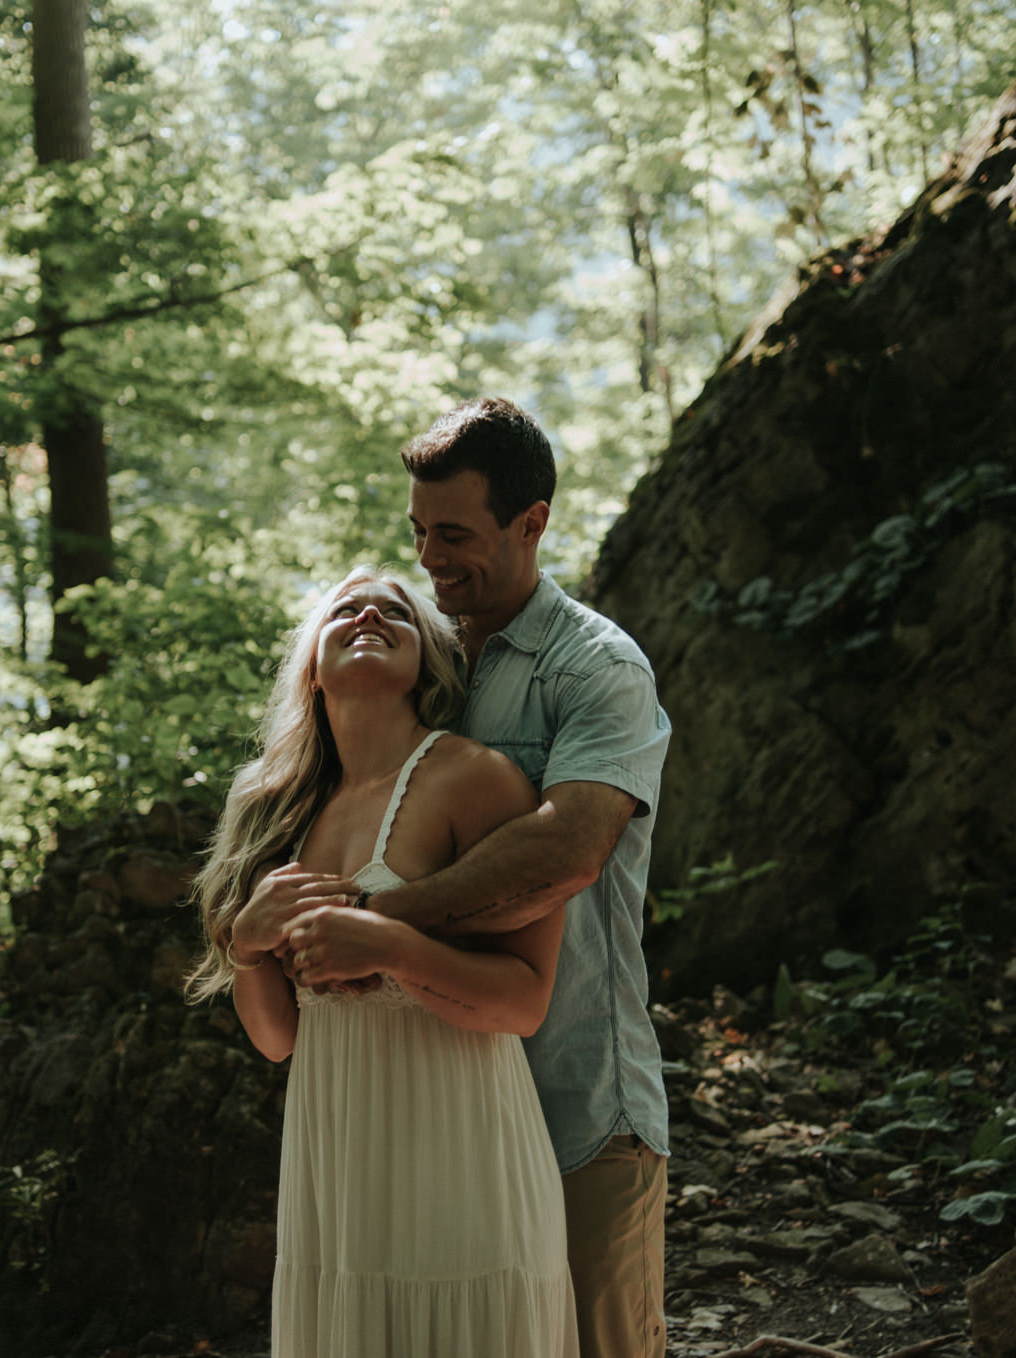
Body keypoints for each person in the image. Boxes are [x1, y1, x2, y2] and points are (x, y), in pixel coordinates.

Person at [295, 398, 674, 1358]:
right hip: (439, 1108)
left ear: (531, 522)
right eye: (419, 533)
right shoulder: (429, 664)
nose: (430, 558)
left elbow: (568, 849)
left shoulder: (596, 670)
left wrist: (376, 924)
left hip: (581, 1102)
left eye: (455, 534)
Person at [184, 565, 581, 1358]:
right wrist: (246, 940)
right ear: (311, 667)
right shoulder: (275, 812)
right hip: (337, 1174)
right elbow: (276, 1038)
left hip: (461, 1156)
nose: (368, 613)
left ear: (429, 657)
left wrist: (393, 944)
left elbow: (525, 1002)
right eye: (345, 610)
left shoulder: (475, 777)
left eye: (393, 608)